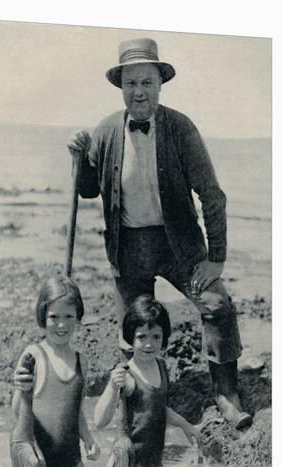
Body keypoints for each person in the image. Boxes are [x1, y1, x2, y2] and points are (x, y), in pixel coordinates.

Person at [67, 37, 252, 430]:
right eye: (131, 83)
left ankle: (226, 392)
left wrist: (215, 257)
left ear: (160, 84)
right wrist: (80, 156)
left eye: (146, 82)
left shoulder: (181, 128)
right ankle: (138, 401)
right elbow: (86, 189)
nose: (139, 92)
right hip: (129, 246)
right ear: (121, 86)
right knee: (132, 329)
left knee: (217, 304)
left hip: (179, 245)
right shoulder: (105, 131)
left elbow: (212, 195)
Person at [10, 274, 100, 467]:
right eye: (54, 317)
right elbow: (17, 412)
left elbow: (76, 412)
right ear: (42, 316)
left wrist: (88, 439)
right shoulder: (34, 355)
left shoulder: (82, 361)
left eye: (69, 316)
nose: (62, 324)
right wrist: (21, 389)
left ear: (78, 316)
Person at [95, 295, 201, 467]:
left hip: (154, 463)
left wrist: (185, 425)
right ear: (131, 338)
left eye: (156, 337)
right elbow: (99, 421)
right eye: (142, 337)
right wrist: (112, 387)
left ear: (164, 337)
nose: (149, 344)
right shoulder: (127, 375)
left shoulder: (160, 366)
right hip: (126, 466)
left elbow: (156, 409)